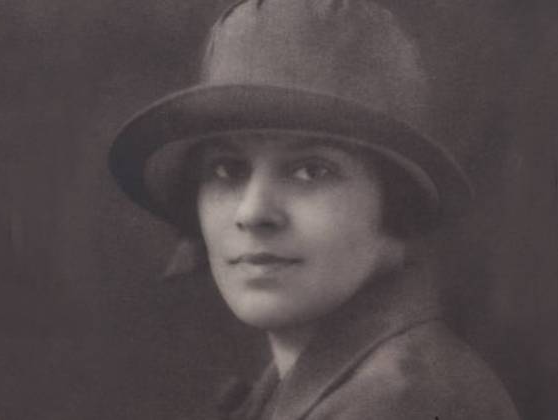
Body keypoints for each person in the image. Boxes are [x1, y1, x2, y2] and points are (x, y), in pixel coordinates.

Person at [109, 0, 521, 418]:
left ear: (396, 200)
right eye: (227, 169)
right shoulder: (299, 390)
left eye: (310, 171)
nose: (253, 212)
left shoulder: (402, 401)